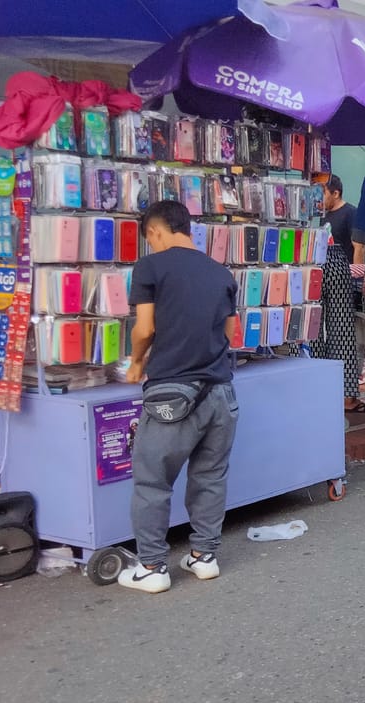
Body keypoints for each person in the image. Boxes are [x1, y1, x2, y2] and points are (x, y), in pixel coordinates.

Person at [118, 201, 240, 594]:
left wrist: (137, 363)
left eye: (148, 239)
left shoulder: (151, 267)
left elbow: (144, 329)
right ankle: (204, 557)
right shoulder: (220, 272)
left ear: (154, 231)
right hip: (220, 392)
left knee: (152, 482)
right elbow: (232, 334)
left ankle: (153, 566)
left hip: (173, 392)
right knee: (210, 477)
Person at [312, 175, 365, 413]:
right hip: (318, 276)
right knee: (314, 331)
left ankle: (347, 395)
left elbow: (359, 247)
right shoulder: (318, 215)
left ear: (335, 193)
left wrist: (355, 280)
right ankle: (318, 386)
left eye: (322, 193)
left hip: (342, 278)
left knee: (342, 334)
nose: (319, 199)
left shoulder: (350, 213)